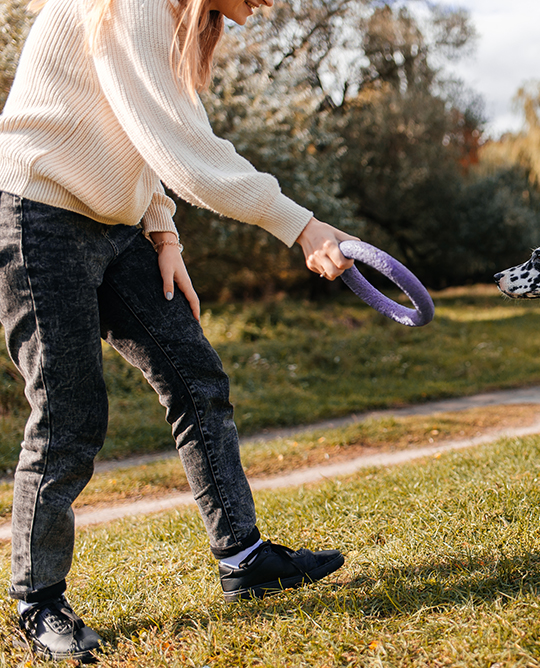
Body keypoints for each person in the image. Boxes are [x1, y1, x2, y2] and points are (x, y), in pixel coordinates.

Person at [0, 0, 356, 660]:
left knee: (196, 377)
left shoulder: (164, 16)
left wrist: (162, 231)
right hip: (38, 214)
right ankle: (38, 600)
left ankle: (244, 559)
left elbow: (142, 135)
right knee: (69, 412)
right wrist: (300, 224)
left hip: (120, 226)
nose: (259, 11)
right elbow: (180, 148)